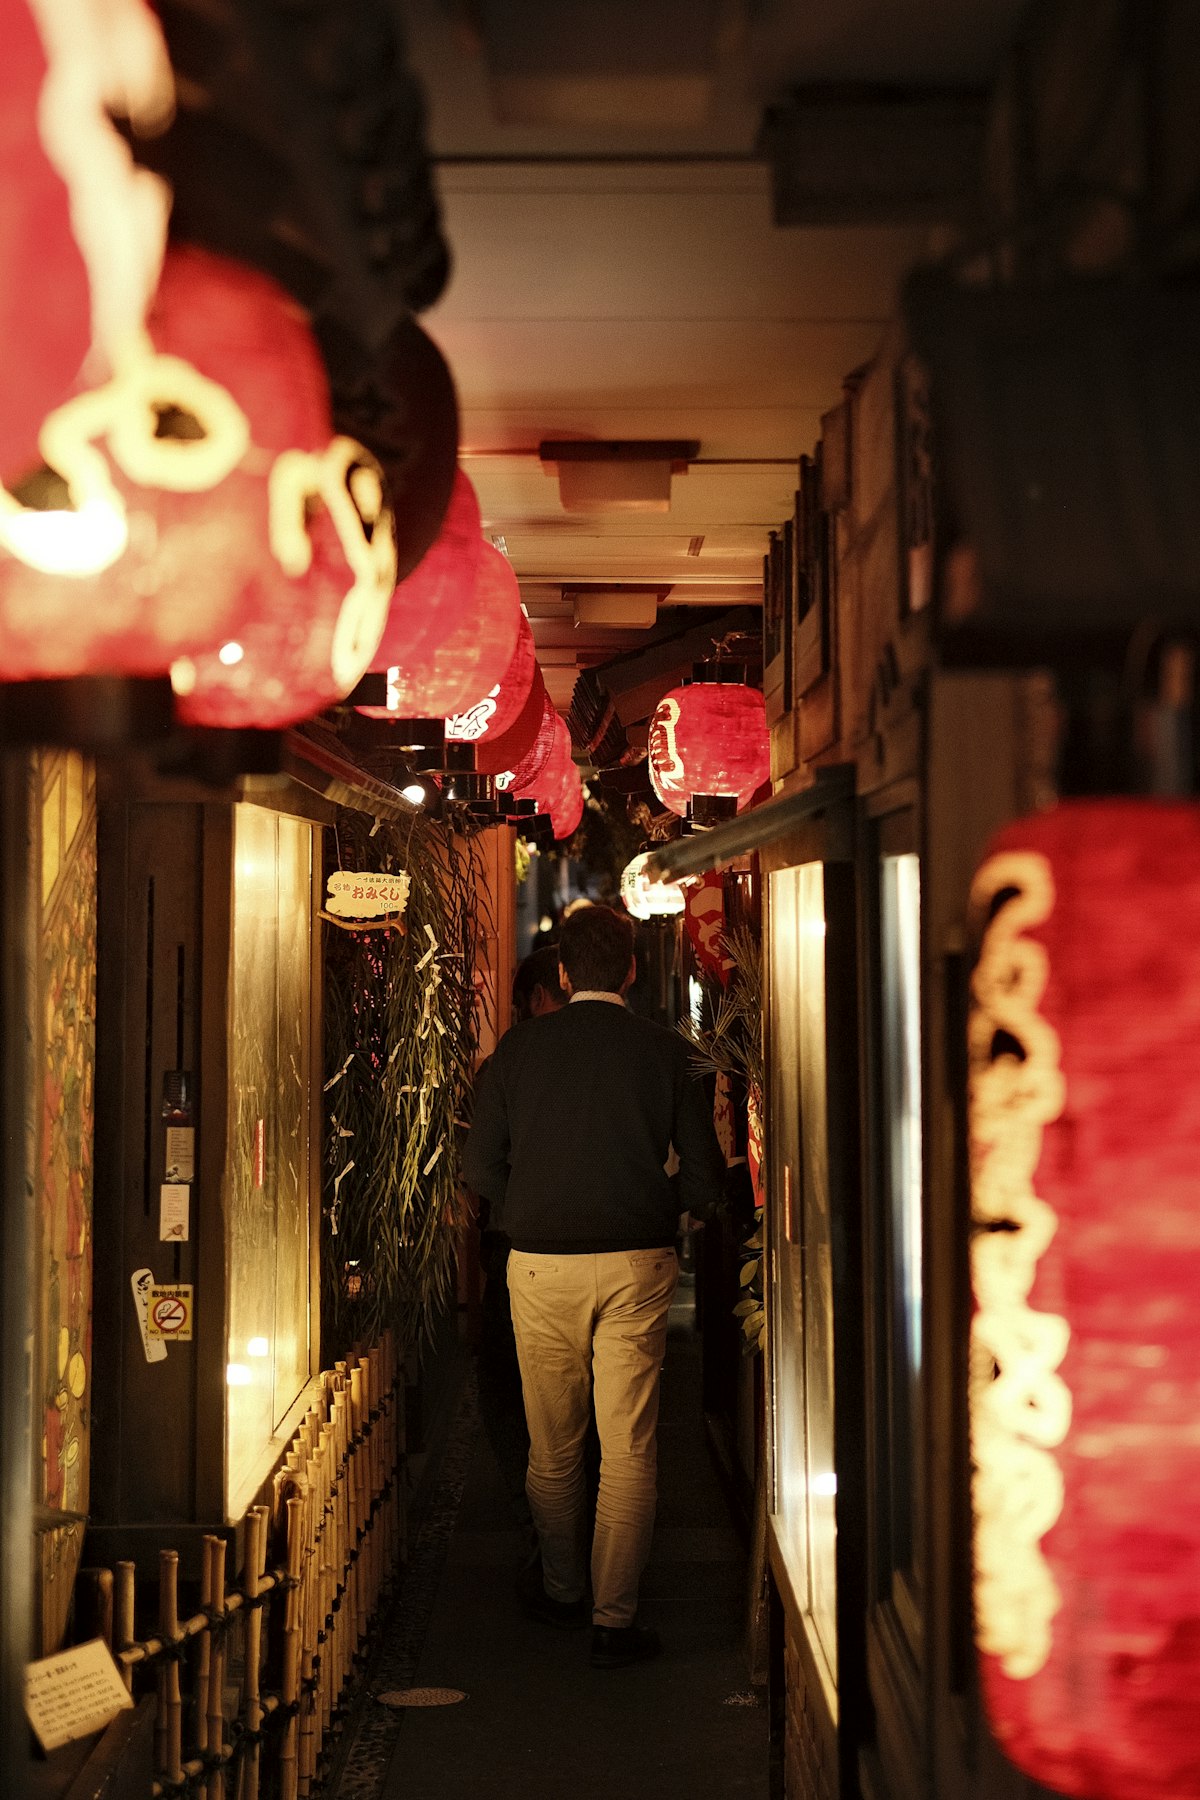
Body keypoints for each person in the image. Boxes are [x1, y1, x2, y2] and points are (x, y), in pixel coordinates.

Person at [463, 904, 725, 1670]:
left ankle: (562, 1589)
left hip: (540, 1262)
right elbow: (704, 1174)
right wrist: (655, 1202)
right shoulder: (665, 1052)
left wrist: (530, 1209)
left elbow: (479, 1169)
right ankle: (616, 1619)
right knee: (630, 1447)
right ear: (634, 970)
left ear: (565, 974)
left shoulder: (517, 1052)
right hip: (639, 1261)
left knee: (554, 1449)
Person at [473, 947, 567, 1584]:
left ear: (531, 1000)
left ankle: (542, 1533)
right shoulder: (618, 1054)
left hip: (518, 1252)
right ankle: (574, 1544)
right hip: (604, 1252)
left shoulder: (506, 1064)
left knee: (512, 1393)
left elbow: (478, 1168)